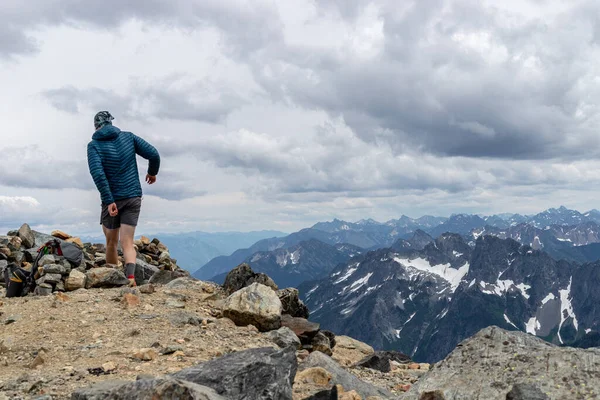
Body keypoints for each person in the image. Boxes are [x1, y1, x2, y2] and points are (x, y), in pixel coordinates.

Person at [87, 111, 160, 286]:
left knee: (111, 241)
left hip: (112, 199)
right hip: (133, 195)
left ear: (96, 126)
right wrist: (152, 172)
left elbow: (97, 173)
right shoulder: (128, 137)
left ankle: (112, 274)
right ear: (111, 123)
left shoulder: (94, 146)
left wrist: (109, 200)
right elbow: (154, 154)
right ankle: (130, 278)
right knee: (127, 241)